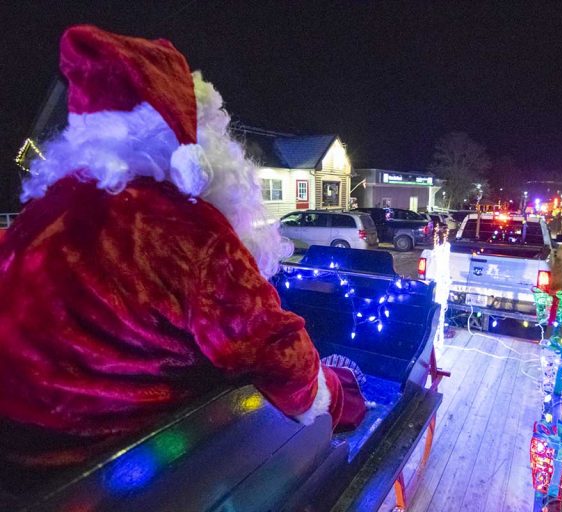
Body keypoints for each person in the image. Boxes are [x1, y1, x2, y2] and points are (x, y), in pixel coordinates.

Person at [0, 26, 365, 468]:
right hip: (123, 468)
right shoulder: (186, 231)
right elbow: (277, 353)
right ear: (194, 142)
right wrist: (335, 395)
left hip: (18, 460)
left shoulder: (40, 214)